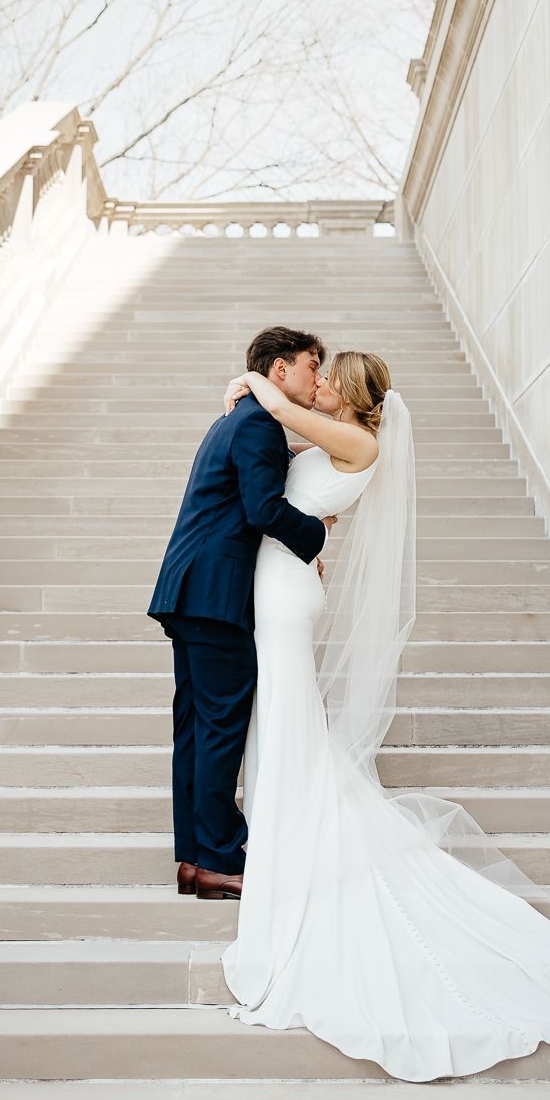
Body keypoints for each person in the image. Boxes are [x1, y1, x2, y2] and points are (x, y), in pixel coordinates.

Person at [219, 351, 550, 1082]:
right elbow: (280, 460)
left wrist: (249, 380)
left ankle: (290, 855)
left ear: (344, 390)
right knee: (285, 727)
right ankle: (285, 839)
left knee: (287, 724)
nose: (314, 383)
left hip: (282, 600)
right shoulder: (332, 437)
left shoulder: (361, 442)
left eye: (325, 376)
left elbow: (279, 414)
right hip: (282, 582)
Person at [147, 328, 333, 901]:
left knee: (197, 730)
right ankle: (224, 861)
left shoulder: (242, 419)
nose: (315, 377)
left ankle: (196, 860)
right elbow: (263, 507)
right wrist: (315, 535)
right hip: (216, 595)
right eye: (310, 366)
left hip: (192, 591)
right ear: (280, 369)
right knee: (220, 730)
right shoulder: (255, 423)